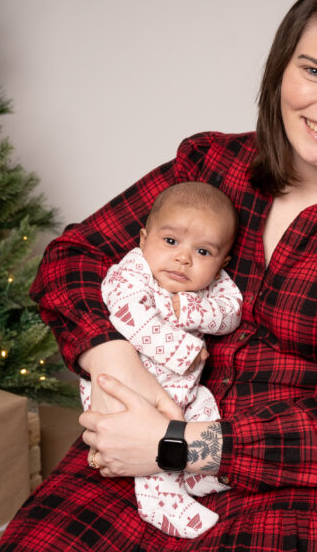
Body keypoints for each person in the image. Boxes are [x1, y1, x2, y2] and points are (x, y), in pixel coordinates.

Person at [0, 0, 317, 552]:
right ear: (280, 70)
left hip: (305, 476)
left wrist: (177, 445)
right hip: (152, 427)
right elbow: (73, 257)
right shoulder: (213, 167)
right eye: (314, 71)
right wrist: (115, 361)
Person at [82, 181, 243, 538]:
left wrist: (190, 308)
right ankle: (158, 497)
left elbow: (231, 312)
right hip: (127, 384)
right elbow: (127, 315)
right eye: (170, 242)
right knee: (146, 429)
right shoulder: (133, 271)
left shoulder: (214, 284)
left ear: (221, 263)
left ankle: (198, 475)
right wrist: (182, 350)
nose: (184, 258)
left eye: (203, 252)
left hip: (185, 390)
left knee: (205, 409)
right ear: (143, 239)